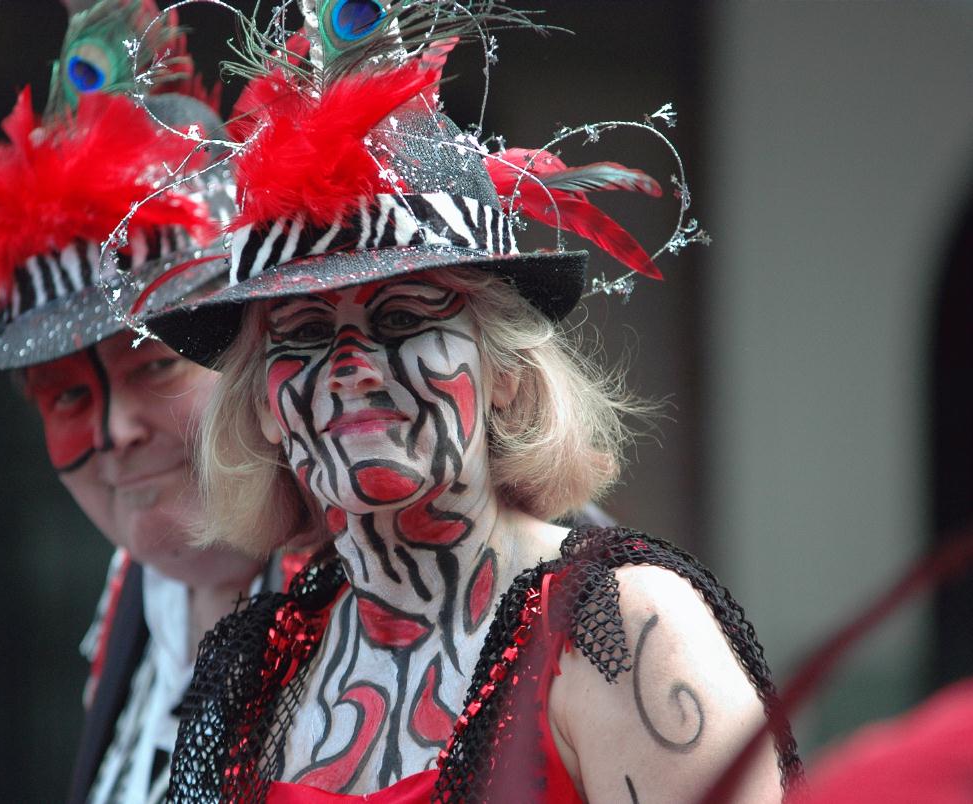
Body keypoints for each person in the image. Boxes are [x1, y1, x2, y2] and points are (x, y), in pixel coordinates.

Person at [141, 3, 801, 802]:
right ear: (266, 407)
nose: (351, 367)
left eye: (403, 320)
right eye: (306, 333)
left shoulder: (618, 630)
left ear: (506, 373)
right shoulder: (260, 665)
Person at [0, 2, 268, 801]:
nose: (116, 431)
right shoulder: (136, 602)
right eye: (65, 398)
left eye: (155, 367)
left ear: (269, 352)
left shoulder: (460, 589)